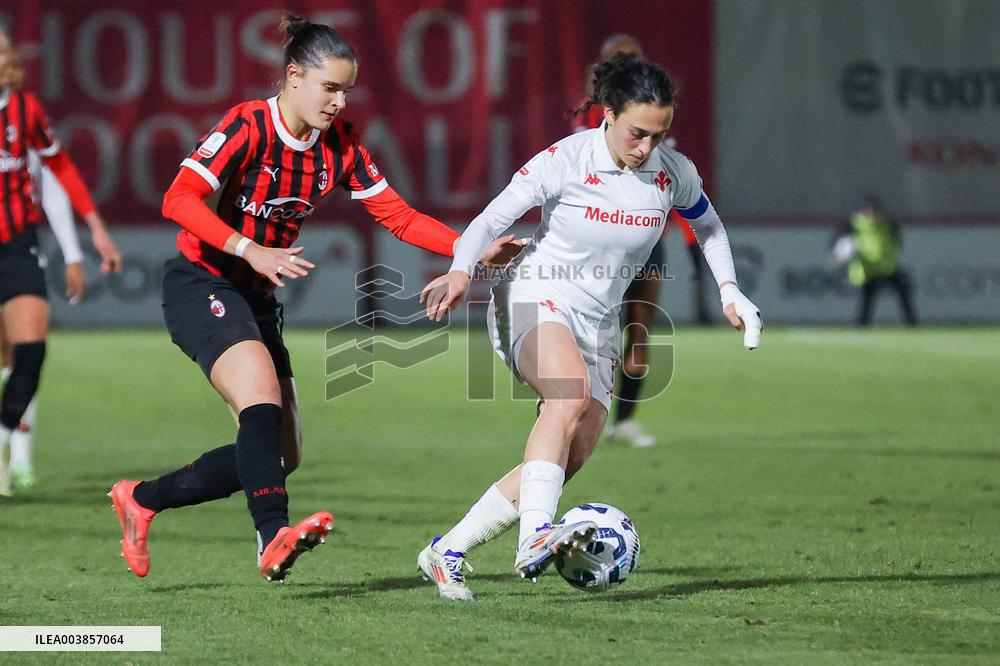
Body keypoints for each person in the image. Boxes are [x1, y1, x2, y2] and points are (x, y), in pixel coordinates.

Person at [108, 14, 524, 582]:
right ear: (294, 76)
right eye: (329, 87)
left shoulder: (342, 148)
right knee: (260, 400)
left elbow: (398, 217)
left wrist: (469, 251)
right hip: (203, 281)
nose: (338, 101)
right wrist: (248, 248)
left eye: (346, 90)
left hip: (255, 298)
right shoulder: (247, 126)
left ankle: (142, 499)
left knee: (279, 457)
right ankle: (270, 537)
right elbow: (178, 199)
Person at [417, 53, 762, 600]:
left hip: (598, 322)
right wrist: (462, 269)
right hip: (533, 294)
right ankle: (535, 536)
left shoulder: (673, 173)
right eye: (637, 133)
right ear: (607, 114)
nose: (647, 147)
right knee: (567, 396)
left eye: (659, 134)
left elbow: (710, 226)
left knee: (568, 455)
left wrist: (728, 289)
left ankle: (446, 550)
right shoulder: (567, 159)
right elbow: (489, 218)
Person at [0, 30, 122, 497]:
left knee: (29, 353)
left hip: (17, 244)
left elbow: (59, 168)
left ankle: (11, 446)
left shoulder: (24, 110)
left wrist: (94, 229)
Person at [574, 35, 710, 449]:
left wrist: (691, 239)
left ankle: (624, 421)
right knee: (603, 335)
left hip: (649, 243)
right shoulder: (592, 126)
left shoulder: (651, 127)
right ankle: (584, 416)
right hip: (603, 243)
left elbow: (680, 190)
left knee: (639, 332)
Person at [832, 194, 917, 326]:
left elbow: (897, 243)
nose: (872, 213)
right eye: (869, 210)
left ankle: (912, 323)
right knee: (867, 299)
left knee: (903, 289)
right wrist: (840, 256)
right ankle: (862, 325)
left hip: (887, 268)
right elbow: (841, 245)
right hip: (868, 270)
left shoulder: (888, 224)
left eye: (874, 210)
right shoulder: (854, 225)